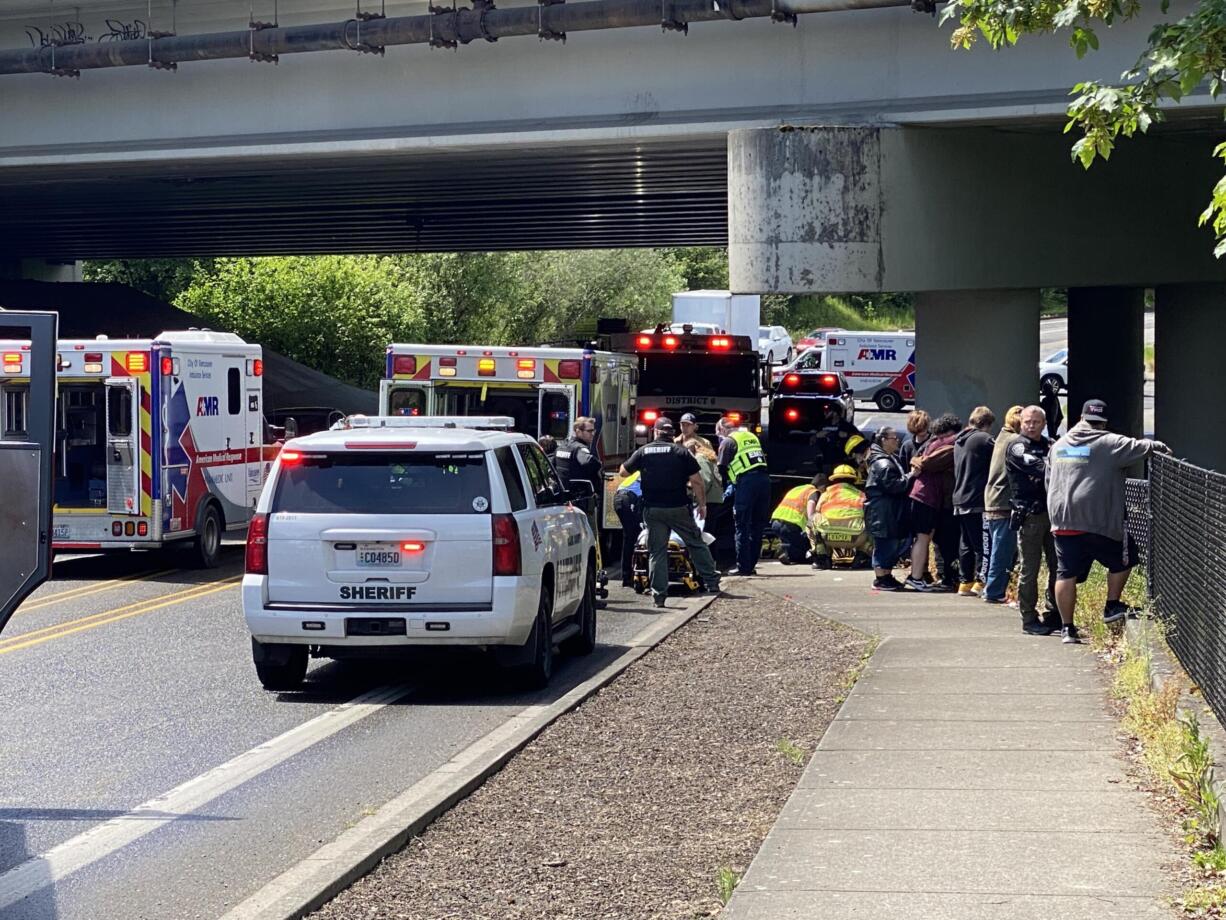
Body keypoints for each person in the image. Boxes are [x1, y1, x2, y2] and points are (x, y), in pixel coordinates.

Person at [1046, 399, 1170, 644]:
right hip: (1098, 519)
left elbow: (1048, 480)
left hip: (1063, 521)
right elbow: (1146, 446)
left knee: (1066, 573)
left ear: (1081, 418)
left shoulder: (1059, 446)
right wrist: (1162, 447)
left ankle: (1067, 629)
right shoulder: (1109, 442)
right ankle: (1112, 606)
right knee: (1125, 558)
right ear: (1103, 422)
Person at [619, 417, 720, 608]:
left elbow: (623, 472)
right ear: (672, 434)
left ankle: (659, 596)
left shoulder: (644, 451)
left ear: (655, 432)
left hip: (653, 509)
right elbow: (697, 481)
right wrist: (702, 504)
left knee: (657, 552)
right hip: (678, 508)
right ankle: (712, 582)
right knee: (695, 543)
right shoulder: (681, 452)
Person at [1006, 405, 1061, 635]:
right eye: (1027, 421)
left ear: (1044, 423)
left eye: (1035, 422)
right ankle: (1029, 618)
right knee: (1030, 568)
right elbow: (1042, 469)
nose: (1030, 425)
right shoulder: (1017, 446)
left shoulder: (1050, 445)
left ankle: (1055, 612)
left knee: (1058, 566)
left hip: (1052, 513)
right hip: (1030, 515)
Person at [905, 413, 960, 592]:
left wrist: (916, 462)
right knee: (924, 538)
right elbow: (926, 462)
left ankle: (920, 575)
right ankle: (916, 576)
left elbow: (917, 459)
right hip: (928, 497)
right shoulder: (948, 444)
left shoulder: (931, 443)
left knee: (926, 538)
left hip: (925, 496)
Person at [717, 415, 771, 576]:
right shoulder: (751, 436)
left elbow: (721, 468)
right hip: (764, 481)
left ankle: (743, 567)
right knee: (757, 526)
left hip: (746, 484)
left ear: (722, 429)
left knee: (742, 525)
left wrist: (725, 489)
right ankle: (751, 565)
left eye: (718, 433)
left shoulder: (728, 442)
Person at [981, 405, 1023, 604]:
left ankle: (993, 588)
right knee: (1003, 549)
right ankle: (994, 591)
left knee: (998, 547)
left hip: (993, 498)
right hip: (1003, 501)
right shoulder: (1015, 441)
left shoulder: (1001, 437)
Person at [952, 406, 995, 597]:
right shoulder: (982, 439)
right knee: (982, 544)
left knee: (966, 543)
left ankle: (965, 582)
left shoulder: (960, 440)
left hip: (960, 497)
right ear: (986, 424)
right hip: (976, 498)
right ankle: (980, 581)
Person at [864, 427, 911, 591]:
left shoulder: (886, 458)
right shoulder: (882, 462)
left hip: (886, 510)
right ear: (883, 440)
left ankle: (886, 575)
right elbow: (894, 485)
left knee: (892, 542)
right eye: (894, 438)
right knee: (886, 544)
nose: (897, 440)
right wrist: (911, 476)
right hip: (884, 511)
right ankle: (881, 578)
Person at [554, 416, 604, 545]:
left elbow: (552, 466)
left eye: (593, 431)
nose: (593, 434)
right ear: (578, 431)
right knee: (590, 538)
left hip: (564, 501)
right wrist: (599, 464)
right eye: (590, 431)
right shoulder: (580, 448)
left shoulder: (562, 447)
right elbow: (587, 461)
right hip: (582, 502)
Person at [810, 465, 869, 569]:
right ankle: (861, 557)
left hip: (828, 537)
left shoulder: (826, 493)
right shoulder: (861, 495)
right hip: (856, 538)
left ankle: (823, 558)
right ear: (854, 480)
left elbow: (817, 512)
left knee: (813, 520)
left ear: (834, 480)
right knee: (872, 521)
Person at [769, 475, 822, 565]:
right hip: (790, 525)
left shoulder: (798, 488)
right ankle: (787, 551)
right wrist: (813, 525)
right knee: (807, 552)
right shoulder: (814, 492)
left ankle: (787, 550)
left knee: (797, 543)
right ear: (822, 487)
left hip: (775, 522)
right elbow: (811, 505)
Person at [685, 437, 725, 546]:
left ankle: (709, 559)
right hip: (714, 498)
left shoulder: (700, 459)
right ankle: (713, 559)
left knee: (706, 533)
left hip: (709, 500)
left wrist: (695, 497)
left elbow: (705, 481)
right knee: (711, 533)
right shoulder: (707, 457)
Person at [612, 471, 643, 588]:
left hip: (620, 498)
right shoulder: (651, 471)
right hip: (628, 499)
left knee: (630, 535)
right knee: (633, 536)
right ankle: (627, 576)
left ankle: (628, 575)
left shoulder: (639, 472)